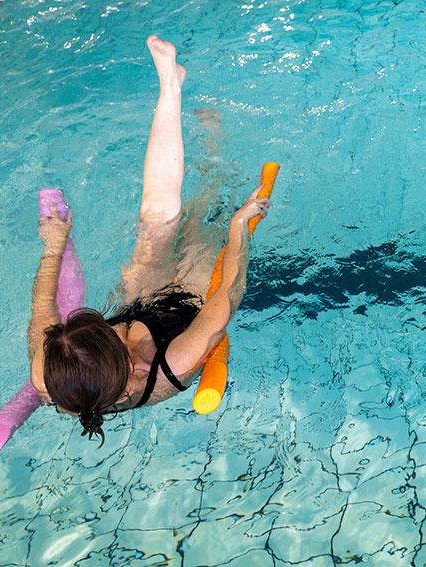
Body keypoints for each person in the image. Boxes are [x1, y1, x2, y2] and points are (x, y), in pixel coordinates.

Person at [28, 36, 270, 444]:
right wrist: (237, 228)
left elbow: (41, 309)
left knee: (156, 214)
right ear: (131, 377)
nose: (118, 329)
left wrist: (53, 247)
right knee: (205, 214)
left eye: (109, 329)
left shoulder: (48, 370)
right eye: (115, 337)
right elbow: (226, 296)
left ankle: (170, 88)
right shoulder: (173, 365)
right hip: (191, 303)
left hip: (140, 296)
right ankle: (214, 150)